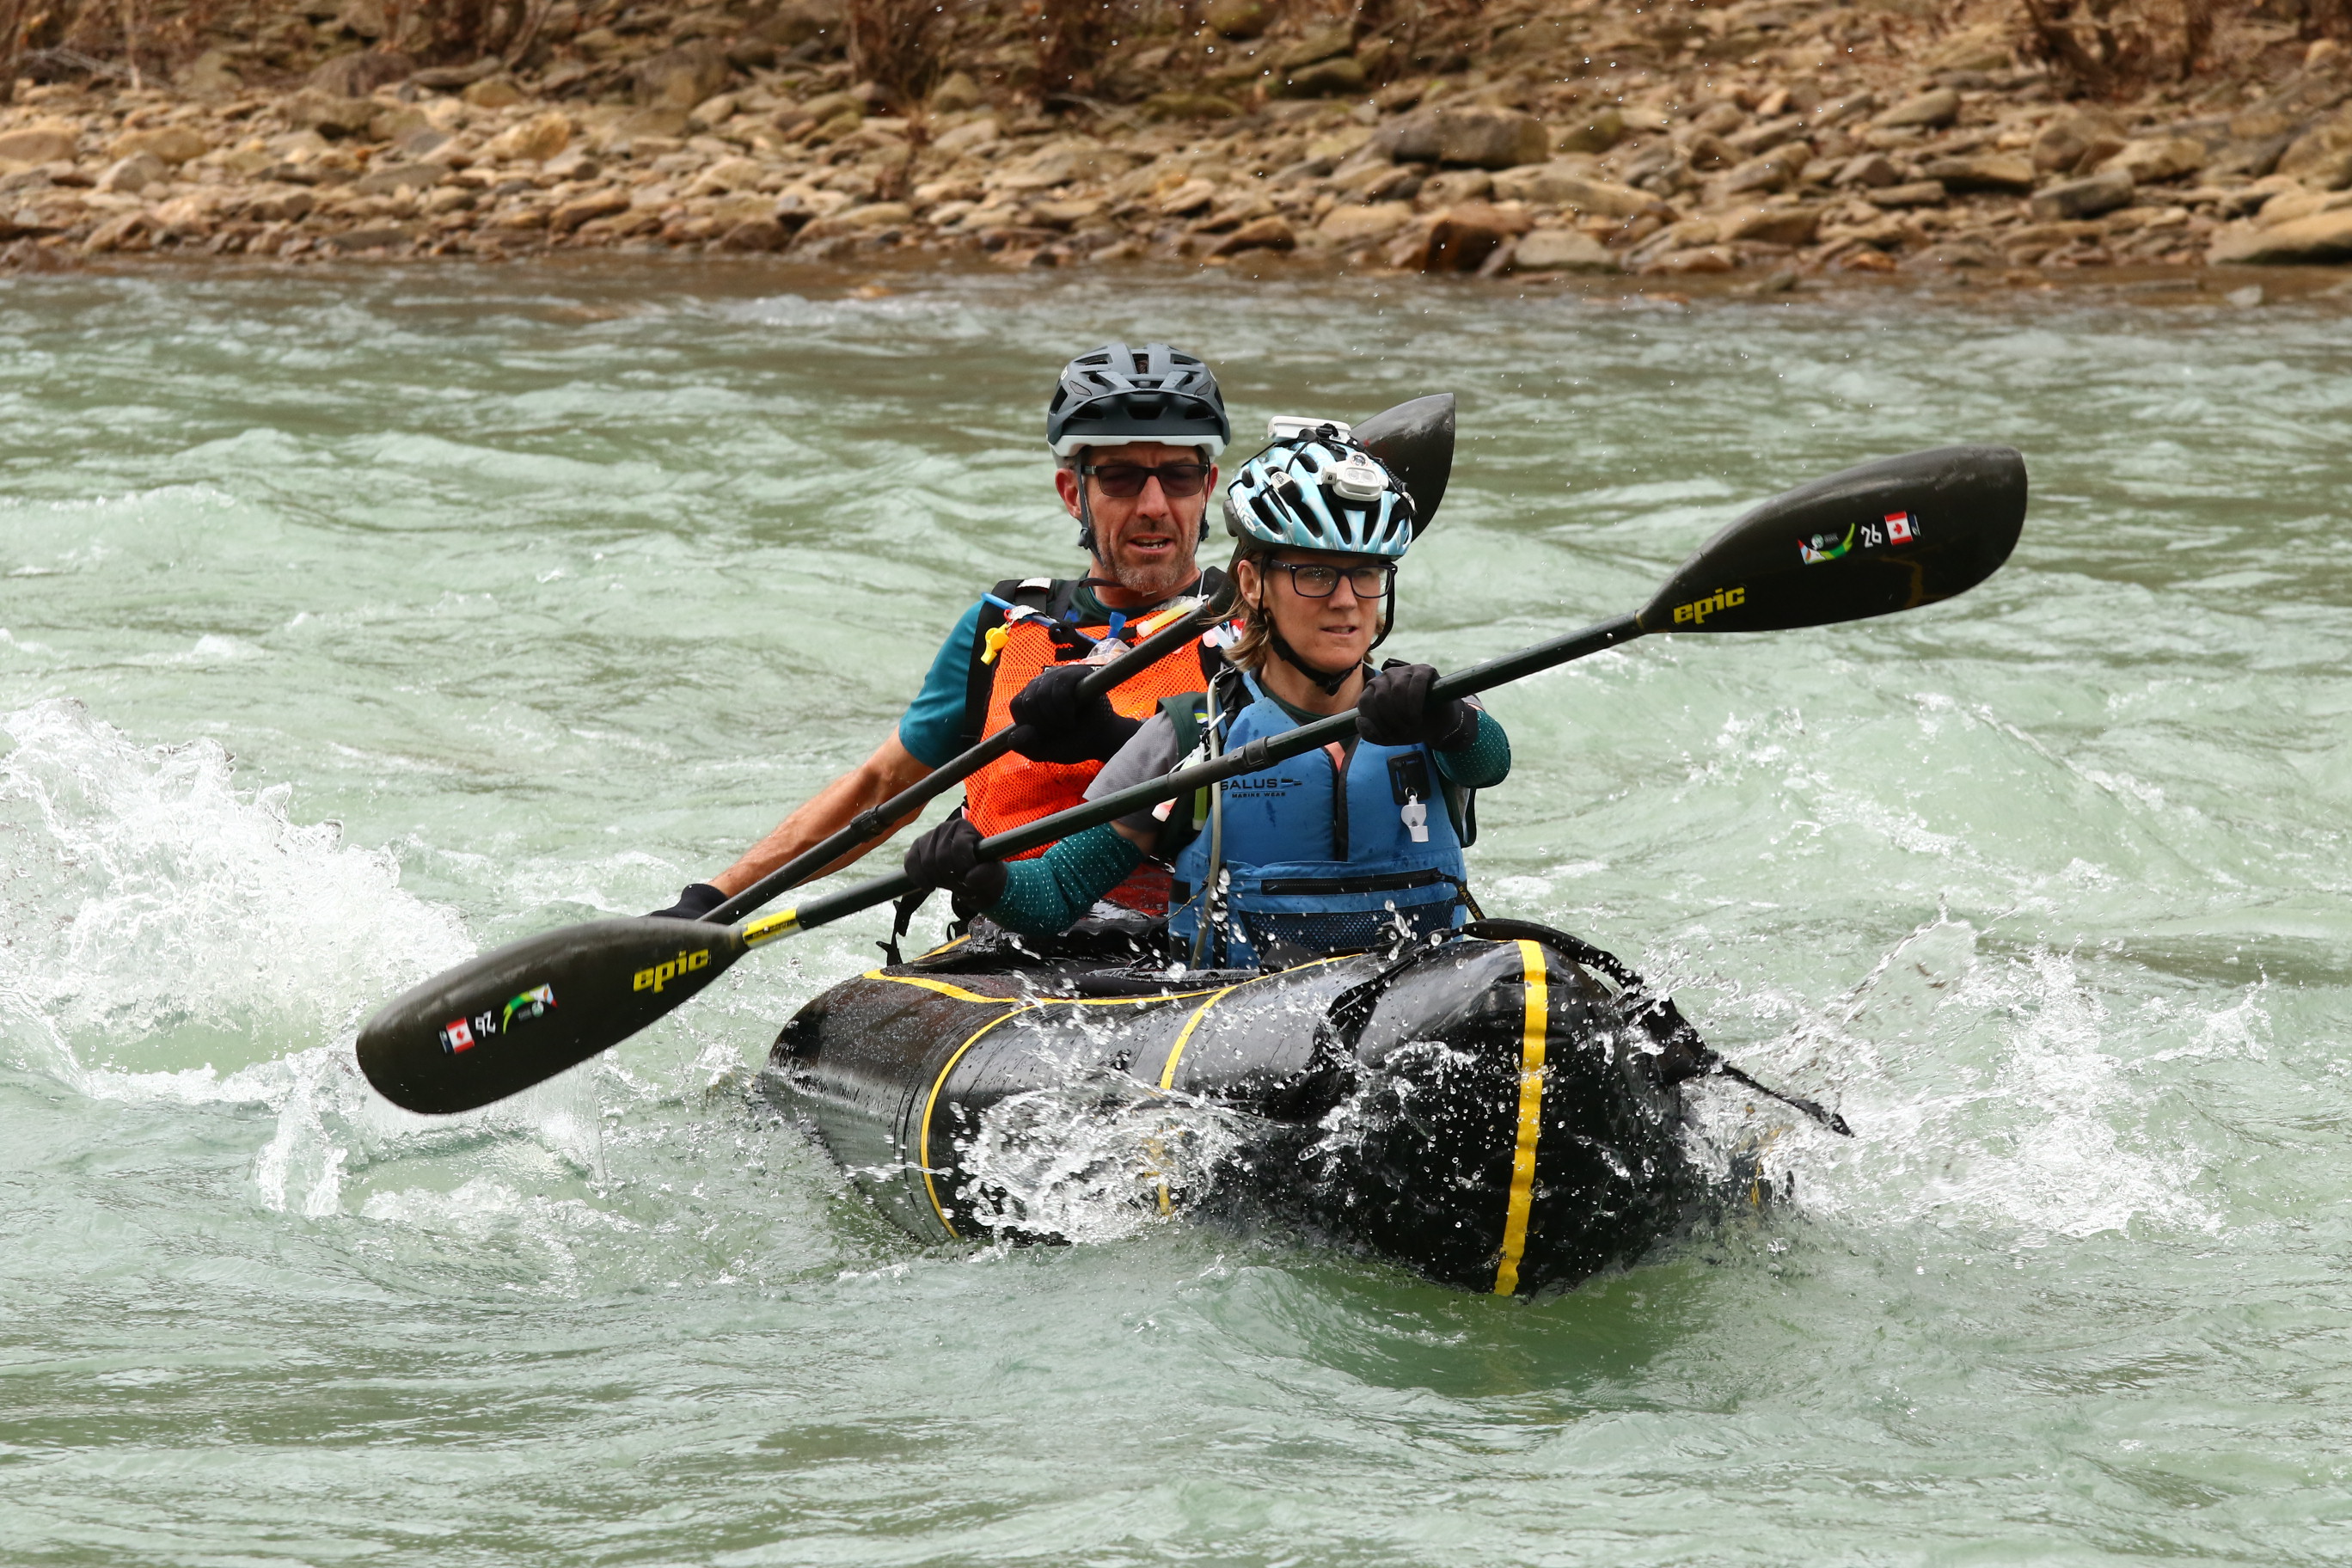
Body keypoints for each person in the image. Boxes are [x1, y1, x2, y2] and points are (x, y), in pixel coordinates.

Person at [647, 342, 1233, 924]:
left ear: (1206, 489)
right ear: (1071, 493)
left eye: (1179, 477)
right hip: (1002, 940)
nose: (1154, 505)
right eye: (1121, 478)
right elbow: (884, 787)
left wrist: (1117, 740)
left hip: (1173, 945)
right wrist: (714, 901)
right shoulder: (1005, 626)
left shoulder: (1247, 627)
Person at [899, 427, 1511, 971]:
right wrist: (984, 878)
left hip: (1424, 1000)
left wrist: (1446, 718)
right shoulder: (1192, 736)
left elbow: (1489, 761)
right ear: (1253, 584)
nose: (1347, 601)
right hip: (1248, 1022)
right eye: (1316, 574)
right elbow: (1058, 892)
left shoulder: (1432, 710)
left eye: (1367, 574)